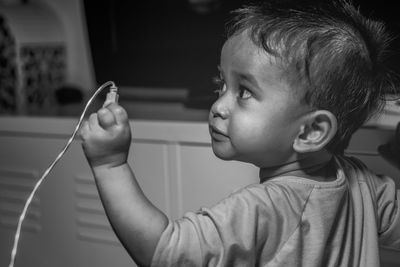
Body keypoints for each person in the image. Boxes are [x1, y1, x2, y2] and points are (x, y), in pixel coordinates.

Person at [80, 0, 400, 266]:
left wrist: (111, 165)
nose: (218, 106)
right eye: (222, 85)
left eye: (244, 91)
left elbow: (166, 251)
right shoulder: (363, 185)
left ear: (312, 130)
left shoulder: (263, 209)